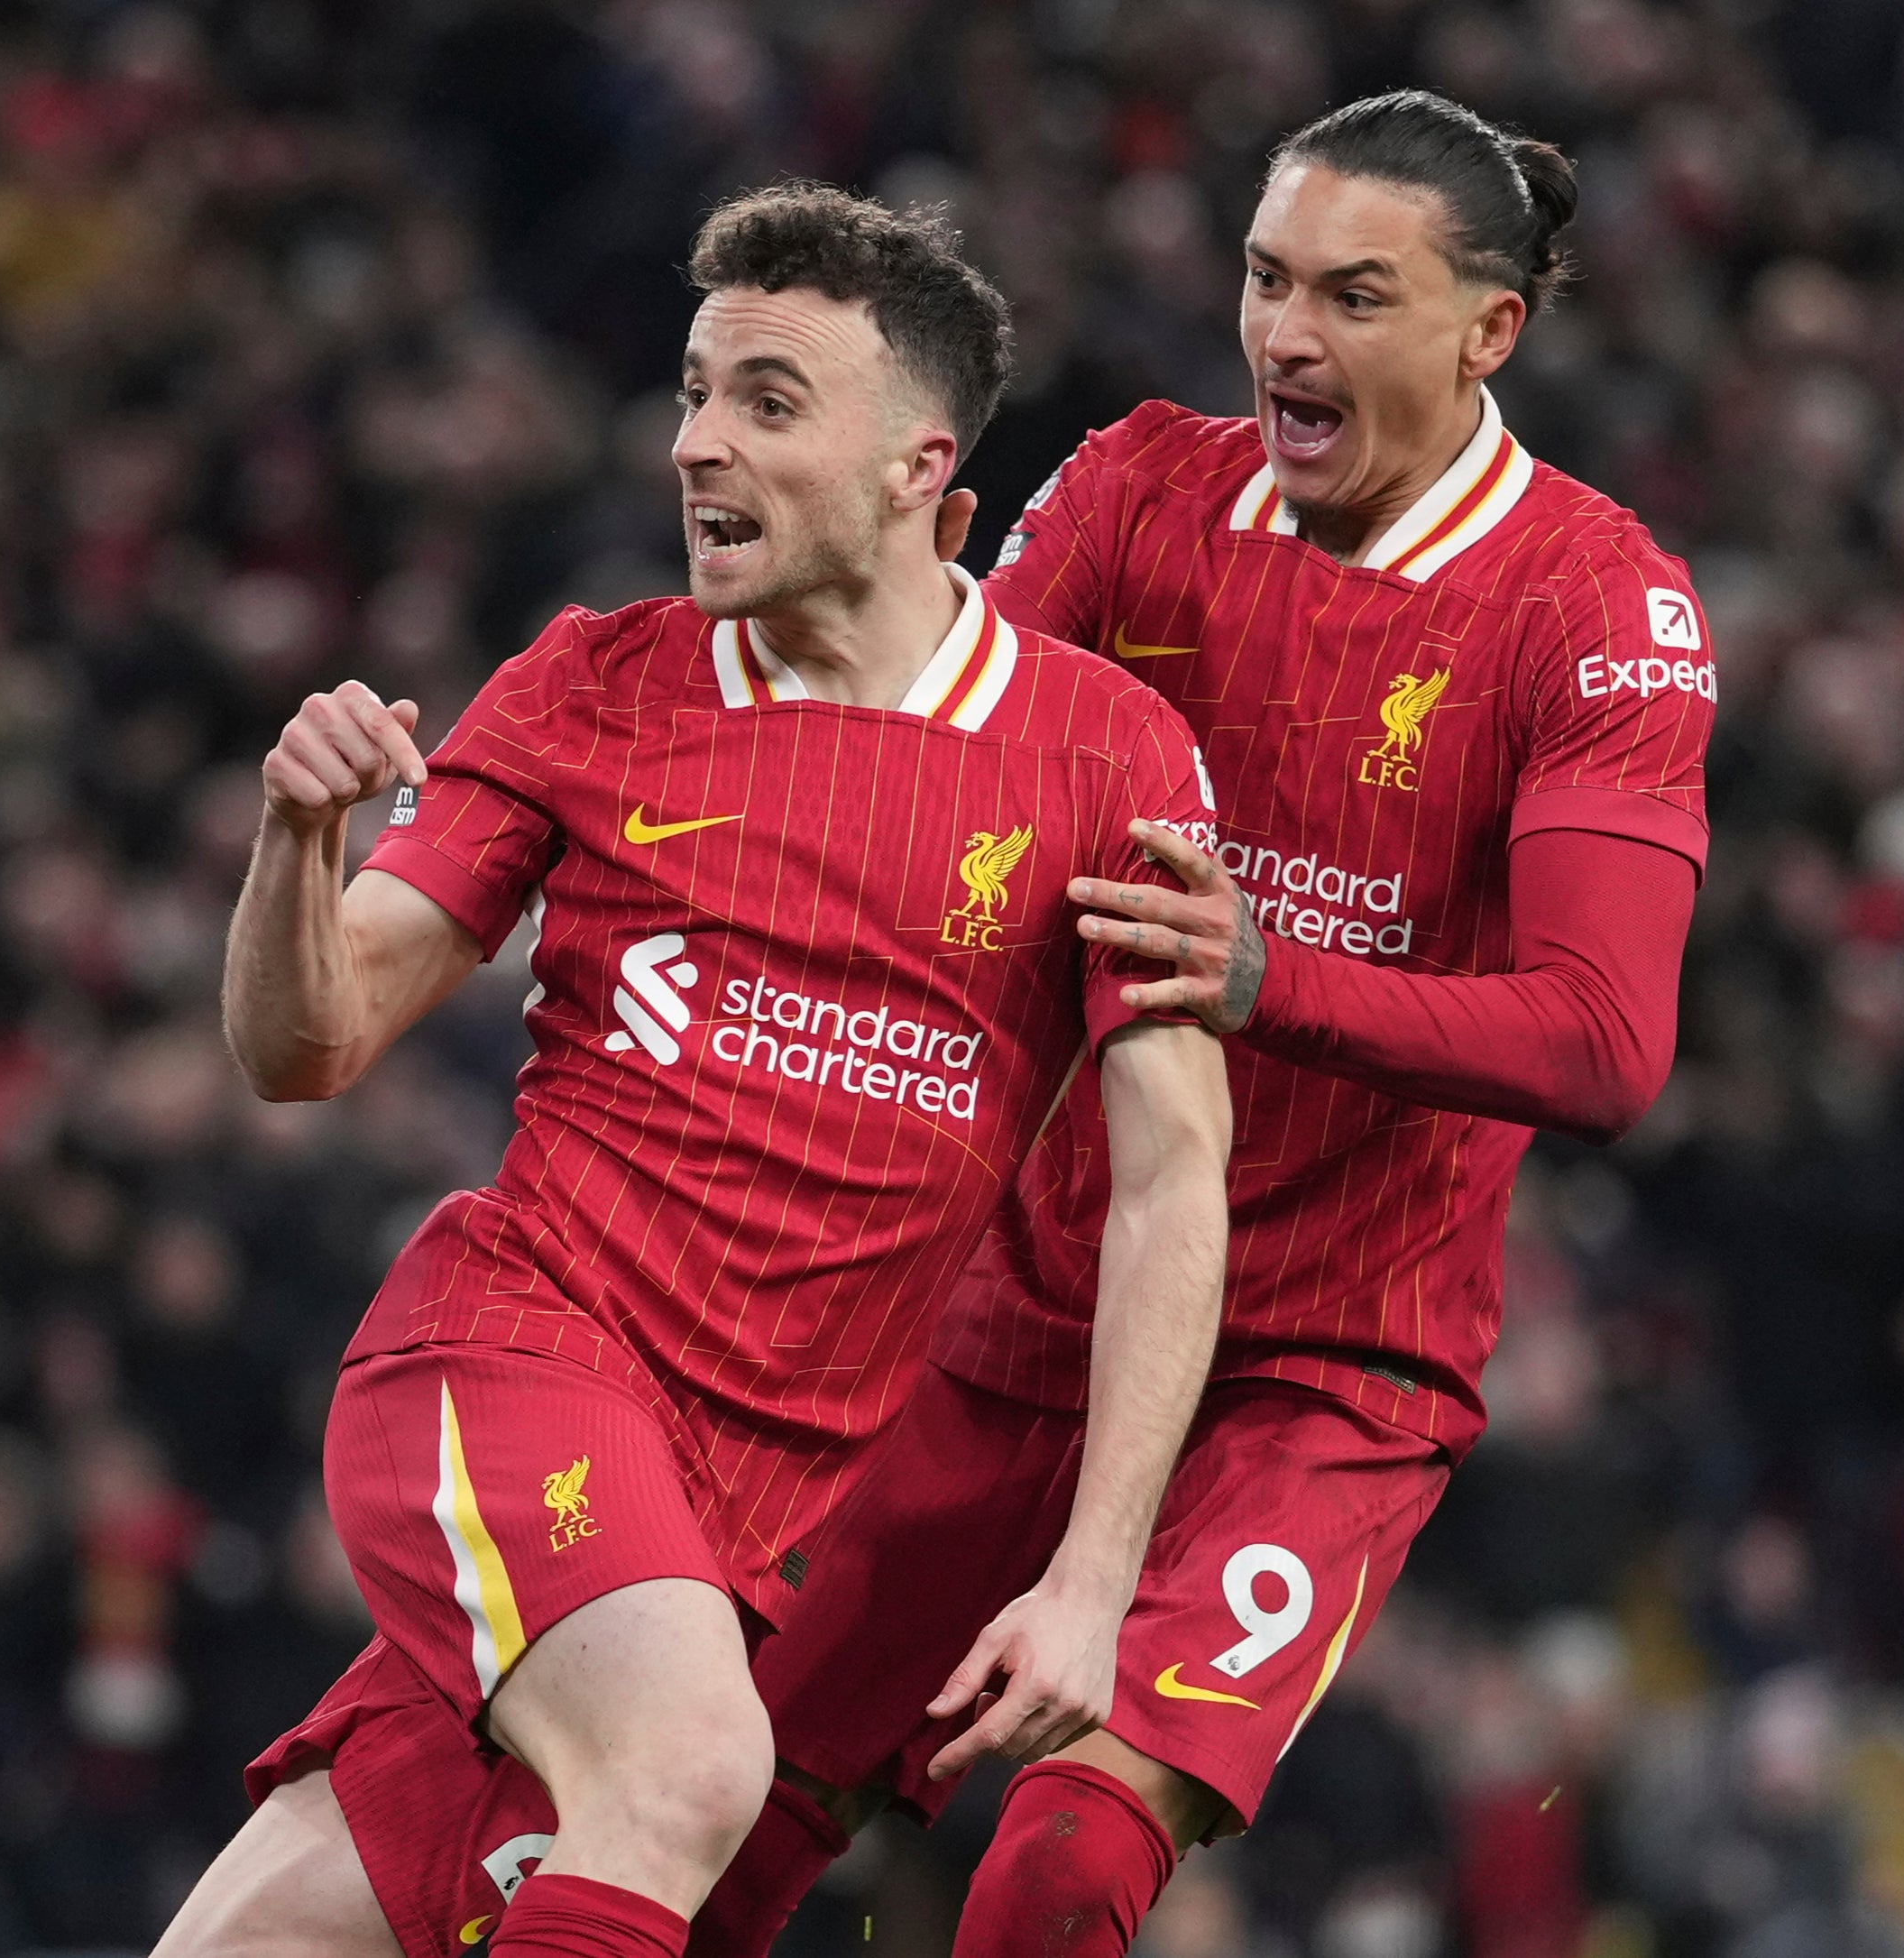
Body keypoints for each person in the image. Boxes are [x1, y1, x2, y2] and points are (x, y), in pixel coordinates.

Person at [309, 87, 1717, 1958]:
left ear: (1488, 333)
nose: (1285, 336)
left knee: (1054, 1868)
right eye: (1262, 278)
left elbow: (1604, 1043)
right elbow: (920, 722)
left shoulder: (1596, 607)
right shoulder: (1138, 488)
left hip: (1324, 1363)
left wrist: (1260, 978)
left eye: (1352, 297)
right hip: (1012, 1315)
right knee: (684, 1809)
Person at [152, 184, 1235, 1958]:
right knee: (681, 1779)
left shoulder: (1107, 754)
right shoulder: (594, 684)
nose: (694, 444)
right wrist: (292, 845)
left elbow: (1173, 1176)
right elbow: (308, 1041)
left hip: (722, 1533)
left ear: (915, 464)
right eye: (691, 391)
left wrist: (1092, 1576)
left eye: (765, 403)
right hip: (505, 1363)